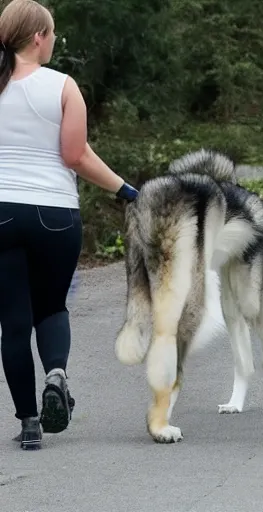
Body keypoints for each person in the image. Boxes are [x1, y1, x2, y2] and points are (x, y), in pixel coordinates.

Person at [0, 0, 139, 450]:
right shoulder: (62, 86)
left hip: (2, 212)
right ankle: (56, 375)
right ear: (38, 36)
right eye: (53, 32)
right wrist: (125, 190)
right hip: (54, 214)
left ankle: (28, 424)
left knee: (13, 323)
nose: (55, 39)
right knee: (52, 308)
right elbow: (75, 156)